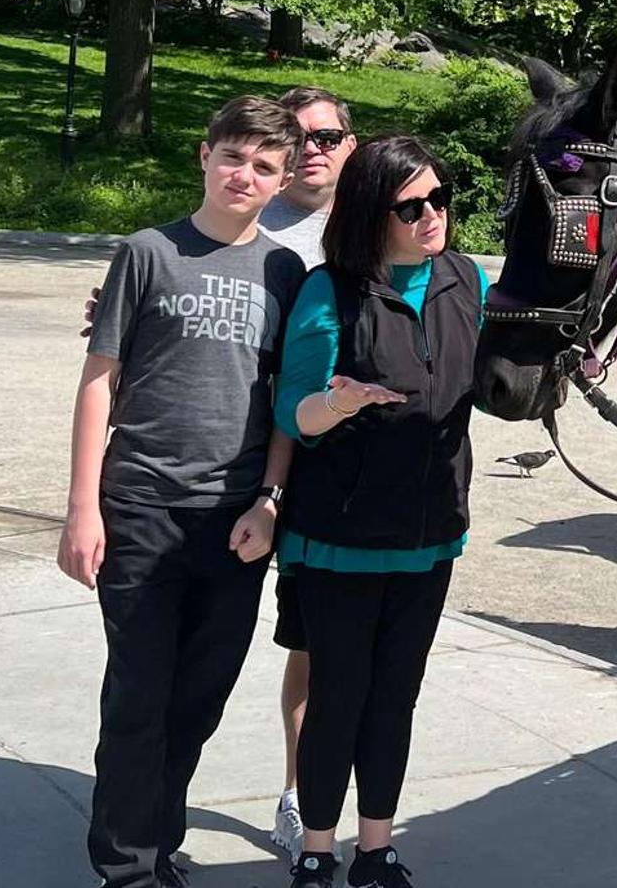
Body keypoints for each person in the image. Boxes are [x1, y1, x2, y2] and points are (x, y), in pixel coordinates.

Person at [79, 87, 357, 863]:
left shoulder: (286, 274)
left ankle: (156, 840)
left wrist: (269, 499)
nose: (245, 173)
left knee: (198, 697)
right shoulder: (147, 252)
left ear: (279, 182)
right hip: (138, 505)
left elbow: (282, 402)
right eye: (232, 156)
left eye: (264, 164)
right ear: (204, 156)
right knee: (139, 696)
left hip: (233, 520)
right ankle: (128, 863)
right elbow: (99, 380)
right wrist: (81, 508)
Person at [272, 135, 487, 888]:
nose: (433, 215)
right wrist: (342, 400)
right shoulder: (329, 291)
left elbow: (482, 381)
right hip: (343, 536)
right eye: (412, 206)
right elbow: (292, 412)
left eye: (440, 197)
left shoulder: (466, 278)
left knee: (396, 695)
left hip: (431, 533)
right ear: (372, 213)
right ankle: (315, 850)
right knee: (341, 696)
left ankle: (375, 850)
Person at [261, 87, 358, 861]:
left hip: (342, 474)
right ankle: (297, 797)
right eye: (298, 137)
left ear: (351, 144)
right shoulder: (250, 224)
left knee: (318, 647)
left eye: (328, 134)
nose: (314, 147)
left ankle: (307, 796)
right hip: (247, 459)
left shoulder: (378, 220)